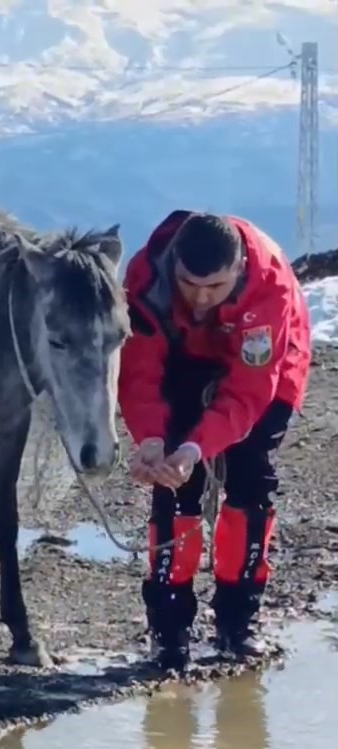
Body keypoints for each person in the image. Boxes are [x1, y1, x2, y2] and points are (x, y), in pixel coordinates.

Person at [118, 210, 311, 669]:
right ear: (174, 266)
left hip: (267, 367)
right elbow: (139, 375)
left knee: (249, 481)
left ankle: (237, 622)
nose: (201, 299)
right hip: (183, 357)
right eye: (189, 284)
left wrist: (196, 447)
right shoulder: (145, 280)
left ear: (239, 268)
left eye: (216, 287)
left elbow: (248, 392)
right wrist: (152, 439)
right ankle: (169, 630)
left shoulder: (269, 285)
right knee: (174, 487)